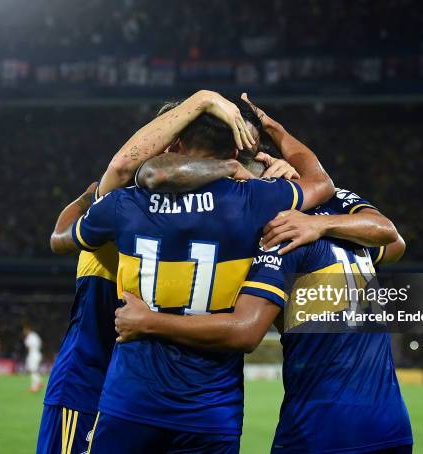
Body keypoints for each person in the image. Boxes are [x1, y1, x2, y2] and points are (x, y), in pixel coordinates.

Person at [114, 98, 411, 453]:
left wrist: (149, 321)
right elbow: (392, 241)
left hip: (318, 430)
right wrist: (277, 133)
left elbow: (245, 330)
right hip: (391, 427)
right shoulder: (347, 223)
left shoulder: (281, 233)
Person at [50, 90, 333, 452]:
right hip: (211, 411)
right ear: (235, 151)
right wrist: (275, 138)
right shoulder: (258, 200)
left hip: (131, 401)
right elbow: (321, 183)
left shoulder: (123, 204)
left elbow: (62, 238)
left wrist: (90, 194)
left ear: (175, 143)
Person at [23, 326, 43, 392]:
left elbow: (28, 347)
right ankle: (39, 382)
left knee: (33, 370)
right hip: (38, 353)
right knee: (35, 370)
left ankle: (34, 387)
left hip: (33, 355)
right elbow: (41, 343)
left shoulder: (29, 337)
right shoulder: (35, 335)